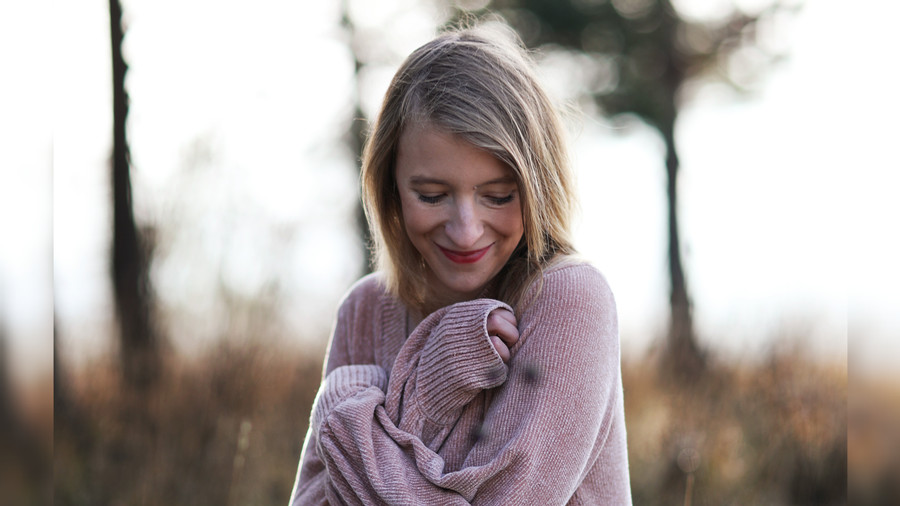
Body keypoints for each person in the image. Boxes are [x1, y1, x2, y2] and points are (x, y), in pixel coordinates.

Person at [289, 23, 632, 505]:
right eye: (432, 195)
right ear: (391, 188)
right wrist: (432, 380)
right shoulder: (365, 310)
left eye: (497, 196)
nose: (467, 229)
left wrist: (345, 417)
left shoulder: (571, 301)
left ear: (537, 187)